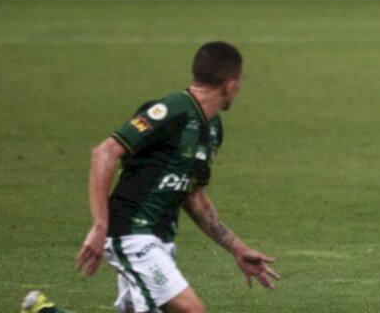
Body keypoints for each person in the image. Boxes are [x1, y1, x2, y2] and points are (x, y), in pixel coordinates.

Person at [26, 42, 280, 313]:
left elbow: (194, 196)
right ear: (230, 84)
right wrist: (100, 226)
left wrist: (237, 248)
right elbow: (105, 153)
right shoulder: (171, 110)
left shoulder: (212, 128)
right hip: (133, 235)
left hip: (160, 239)